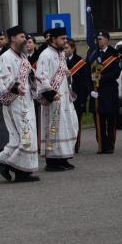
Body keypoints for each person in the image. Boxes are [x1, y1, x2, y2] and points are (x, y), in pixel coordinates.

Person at [0, 25, 40, 183]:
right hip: (14, 102)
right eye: (22, 37)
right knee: (26, 136)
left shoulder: (23, 57)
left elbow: (30, 77)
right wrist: (15, 85)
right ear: (12, 38)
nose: (26, 40)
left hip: (26, 101)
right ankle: (15, 168)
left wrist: (36, 82)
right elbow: (2, 79)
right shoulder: (5, 57)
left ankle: (11, 166)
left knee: (24, 137)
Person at [36, 27, 79, 172]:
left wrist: (67, 74)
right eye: (63, 39)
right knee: (54, 128)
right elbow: (41, 77)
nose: (65, 41)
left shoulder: (61, 55)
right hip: (53, 98)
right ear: (53, 39)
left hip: (64, 97)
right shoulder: (45, 55)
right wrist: (50, 94)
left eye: (66, 39)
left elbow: (62, 73)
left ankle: (63, 158)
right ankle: (52, 161)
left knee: (68, 126)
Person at [88, 30, 122, 154]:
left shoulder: (115, 54)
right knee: (99, 122)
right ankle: (101, 145)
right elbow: (88, 73)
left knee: (110, 121)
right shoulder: (92, 53)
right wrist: (90, 90)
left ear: (107, 39)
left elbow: (116, 72)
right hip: (96, 93)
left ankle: (110, 145)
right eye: (97, 39)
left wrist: (101, 78)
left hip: (109, 91)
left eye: (101, 38)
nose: (99, 41)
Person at [65, 39, 89, 153]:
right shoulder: (61, 61)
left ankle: (75, 145)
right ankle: (66, 144)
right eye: (63, 48)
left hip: (76, 97)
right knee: (65, 122)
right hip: (64, 97)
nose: (65, 50)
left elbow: (84, 84)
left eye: (67, 48)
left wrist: (82, 100)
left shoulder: (80, 62)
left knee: (76, 122)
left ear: (73, 49)